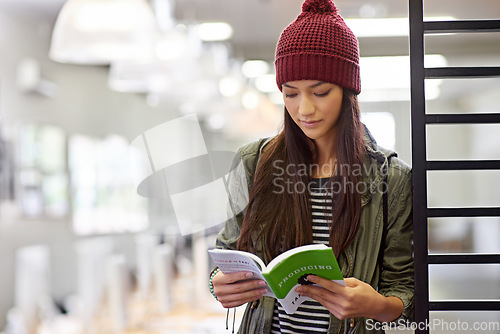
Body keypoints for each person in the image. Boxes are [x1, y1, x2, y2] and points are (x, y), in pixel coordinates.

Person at [209, 0, 414, 332]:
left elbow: (406, 292)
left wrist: (377, 305)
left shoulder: (391, 178)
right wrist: (219, 283)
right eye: (290, 94)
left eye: (320, 92)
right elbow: (228, 253)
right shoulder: (252, 164)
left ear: (348, 90)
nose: (304, 109)